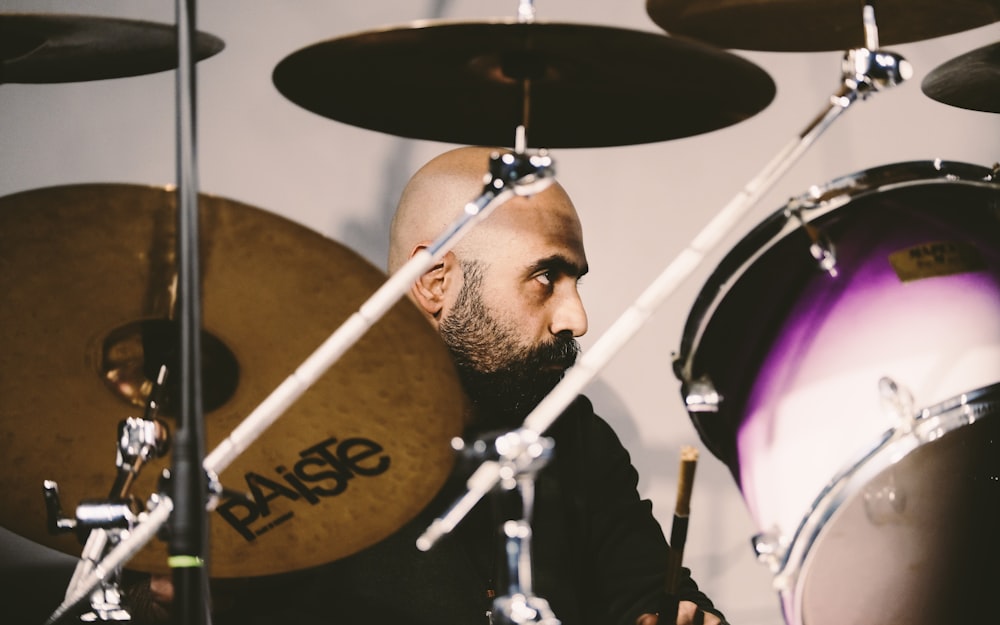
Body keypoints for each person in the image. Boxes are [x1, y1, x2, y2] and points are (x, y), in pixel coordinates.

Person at [128, 146, 728, 625]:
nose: (577, 318)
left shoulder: (573, 435)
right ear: (436, 282)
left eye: (576, 282)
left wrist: (679, 615)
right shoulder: (280, 435)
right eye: (546, 277)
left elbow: (651, 593)